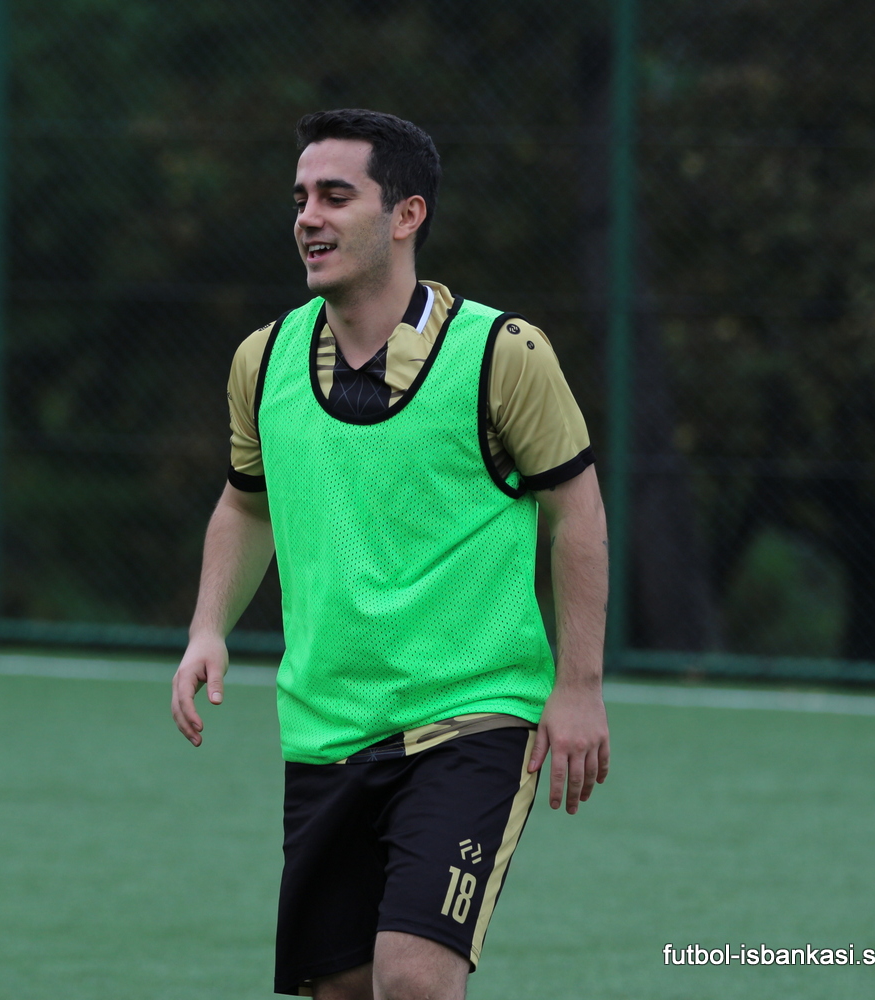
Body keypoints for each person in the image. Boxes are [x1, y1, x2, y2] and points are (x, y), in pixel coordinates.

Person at [172, 108, 611, 1000]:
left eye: (336, 196)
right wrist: (207, 627)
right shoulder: (264, 360)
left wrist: (579, 686)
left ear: (407, 214)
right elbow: (245, 504)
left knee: (412, 980)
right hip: (325, 724)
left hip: (471, 715)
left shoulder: (502, 353)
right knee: (342, 987)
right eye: (301, 198)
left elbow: (577, 511)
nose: (309, 217)